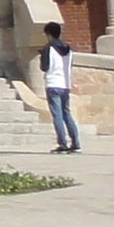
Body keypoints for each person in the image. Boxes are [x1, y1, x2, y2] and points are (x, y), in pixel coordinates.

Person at [40, 22, 80, 153]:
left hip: (53, 83)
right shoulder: (68, 49)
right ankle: (76, 143)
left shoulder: (48, 48)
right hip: (65, 84)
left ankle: (62, 144)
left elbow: (44, 67)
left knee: (57, 115)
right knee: (66, 113)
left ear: (49, 34)